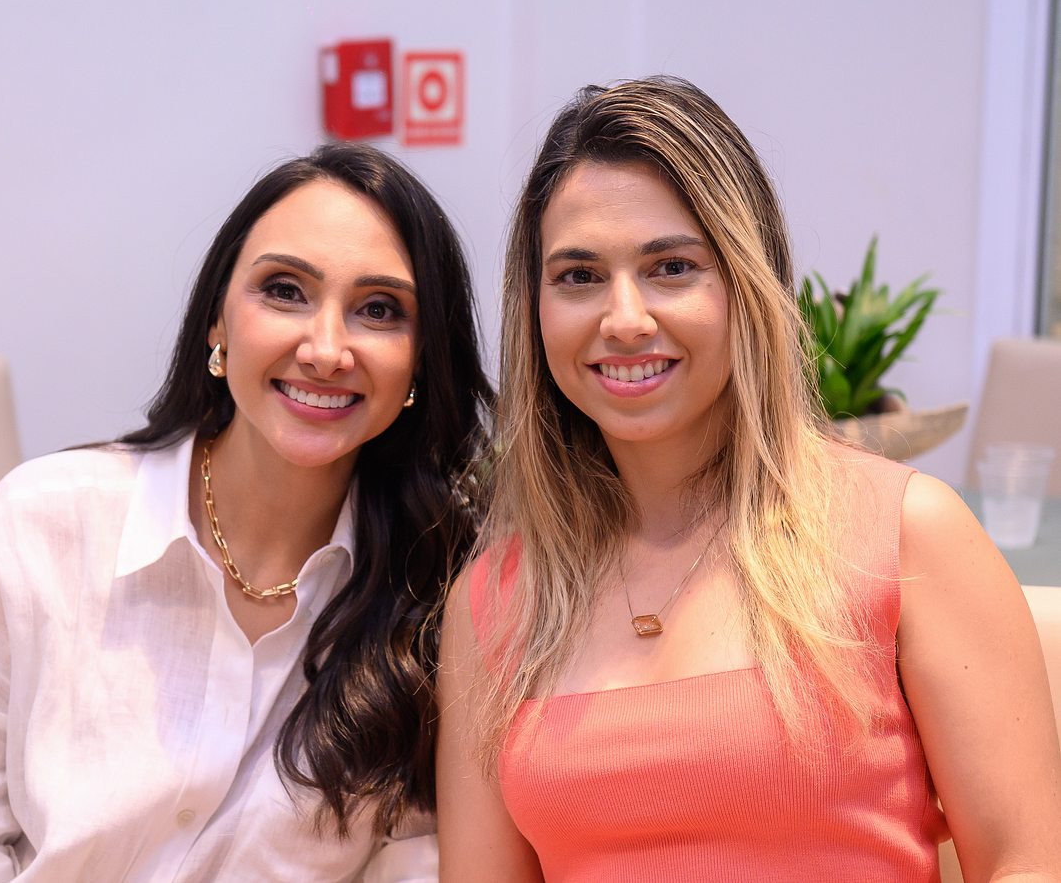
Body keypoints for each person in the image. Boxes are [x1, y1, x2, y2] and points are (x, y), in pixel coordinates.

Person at [437, 77, 1061, 881]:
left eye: (670, 267)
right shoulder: (492, 604)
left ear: (747, 283)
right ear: (534, 309)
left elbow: (1024, 862)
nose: (623, 319)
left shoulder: (905, 533)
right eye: (578, 276)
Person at [0, 142, 490, 880]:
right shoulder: (42, 524)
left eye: (378, 310)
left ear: (421, 359)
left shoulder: (442, 591)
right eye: (284, 290)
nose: (326, 349)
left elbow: (415, 863)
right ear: (217, 324)